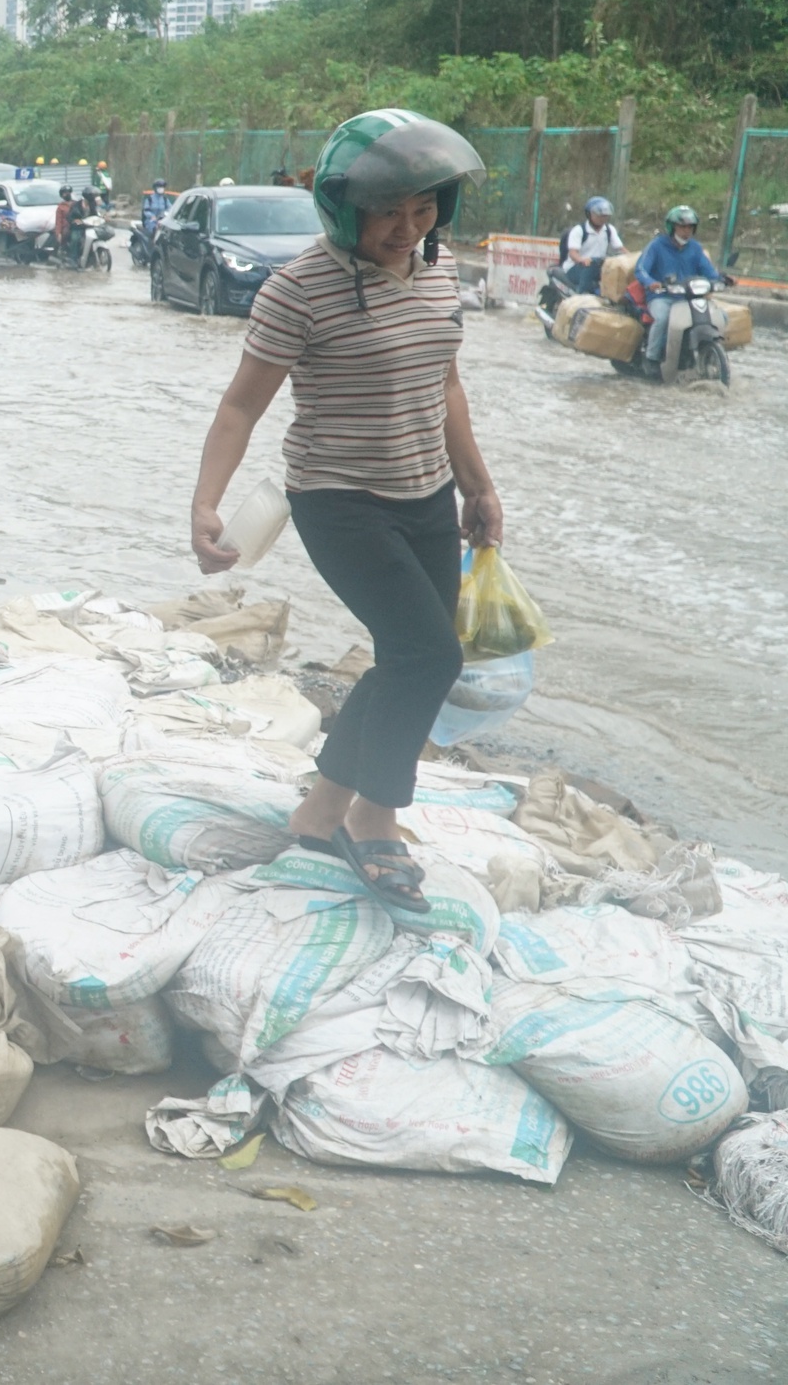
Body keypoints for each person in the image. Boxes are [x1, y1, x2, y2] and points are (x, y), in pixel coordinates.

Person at [189, 108, 501, 913]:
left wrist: (478, 485)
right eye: (388, 210)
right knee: (430, 655)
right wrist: (205, 504)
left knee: (410, 654)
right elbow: (239, 407)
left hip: (425, 493)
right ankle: (376, 816)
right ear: (343, 207)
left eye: (423, 207)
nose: (407, 227)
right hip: (338, 499)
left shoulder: (440, 273)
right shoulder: (299, 288)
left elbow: (447, 385)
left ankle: (320, 810)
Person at [634, 205, 723, 377]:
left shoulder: (695, 248)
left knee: (720, 316)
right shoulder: (656, 245)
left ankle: (711, 353)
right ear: (672, 227)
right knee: (663, 318)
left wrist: (722, 279)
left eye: (690, 227)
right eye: (682, 227)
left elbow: (710, 272)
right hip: (662, 296)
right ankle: (652, 359)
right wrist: (651, 282)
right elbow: (640, 269)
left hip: (688, 298)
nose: (686, 231)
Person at [558, 196, 620, 295]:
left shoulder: (609, 230)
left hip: (598, 266)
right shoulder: (579, 230)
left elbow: (620, 248)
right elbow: (573, 253)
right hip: (576, 268)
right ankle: (581, 297)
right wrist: (582, 260)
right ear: (589, 214)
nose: (602, 218)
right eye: (598, 215)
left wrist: (633, 258)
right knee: (589, 267)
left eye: (605, 216)